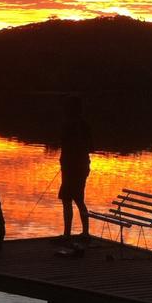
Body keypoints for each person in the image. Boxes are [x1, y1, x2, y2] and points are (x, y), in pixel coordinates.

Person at [58, 96, 92, 239]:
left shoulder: (68, 125)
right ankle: (85, 232)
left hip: (71, 168)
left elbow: (63, 143)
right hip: (82, 167)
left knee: (67, 200)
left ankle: (67, 234)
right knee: (79, 199)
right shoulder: (85, 125)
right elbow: (92, 146)